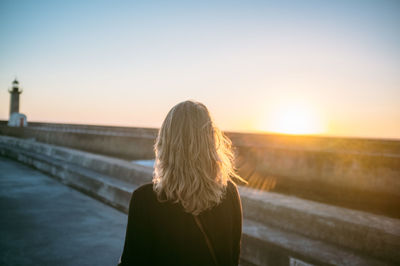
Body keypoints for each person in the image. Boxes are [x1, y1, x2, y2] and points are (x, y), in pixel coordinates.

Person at [118, 100, 246, 266]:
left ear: (166, 142)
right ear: (211, 141)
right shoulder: (229, 194)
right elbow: (232, 259)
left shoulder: (145, 201)